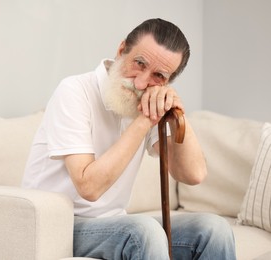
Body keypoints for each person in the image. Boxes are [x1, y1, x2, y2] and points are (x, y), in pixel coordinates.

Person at [22, 18, 236, 259]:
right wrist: (145, 119)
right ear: (122, 50)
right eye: (139, 63)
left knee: (213, 230)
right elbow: (88, 187)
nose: (141, 82)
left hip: (112, 226)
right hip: (56, 225)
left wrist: (177, 109)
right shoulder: (74, 91)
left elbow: (192, 174)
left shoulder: (144, 98)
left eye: (159, 75)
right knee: (143, 232)